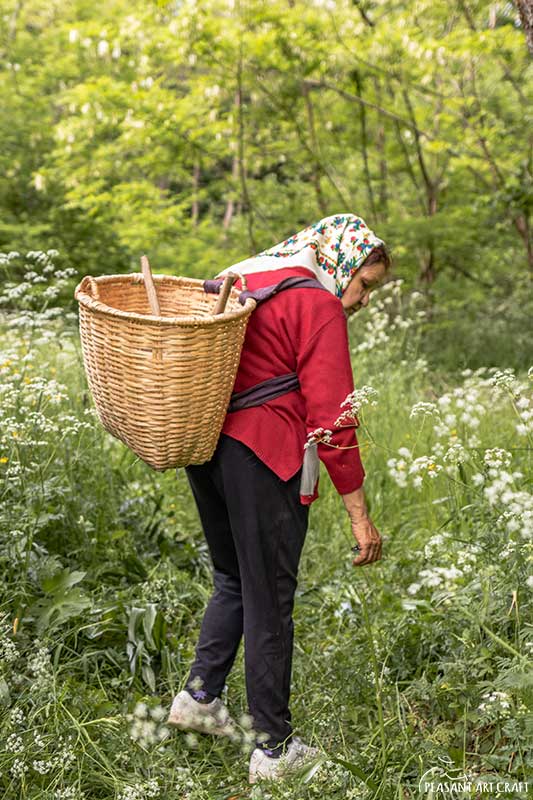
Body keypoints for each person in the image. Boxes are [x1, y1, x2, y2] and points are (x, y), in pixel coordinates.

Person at [167, 213, 391, 784]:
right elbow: (334, 418)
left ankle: (199, 699)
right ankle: (273, 750)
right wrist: (359, 515)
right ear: (341, 262)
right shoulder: (315, 303)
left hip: (207, 445)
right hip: (264, 453)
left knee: (235, 579)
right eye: (364, 283)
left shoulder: (247, 276)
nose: (363, 299)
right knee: (271, 595)